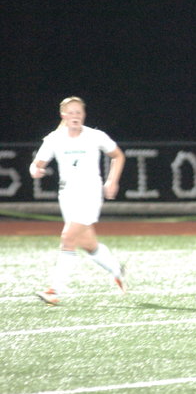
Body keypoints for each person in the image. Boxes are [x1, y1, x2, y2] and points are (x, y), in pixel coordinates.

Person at [30, 97, 126, 305]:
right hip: (67, 195)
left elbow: (118, 155)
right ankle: (117, 269)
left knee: (68, 237)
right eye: (71, 112)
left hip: (90, 193)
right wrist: (35, 170)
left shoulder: (95, 136)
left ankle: (54, 290)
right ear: (63, 115)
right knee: (88, 244)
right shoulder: (54, 139)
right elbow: (36, 164)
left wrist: (112, 180)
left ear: (84, 115)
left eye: (79, 112)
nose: (75, 116)